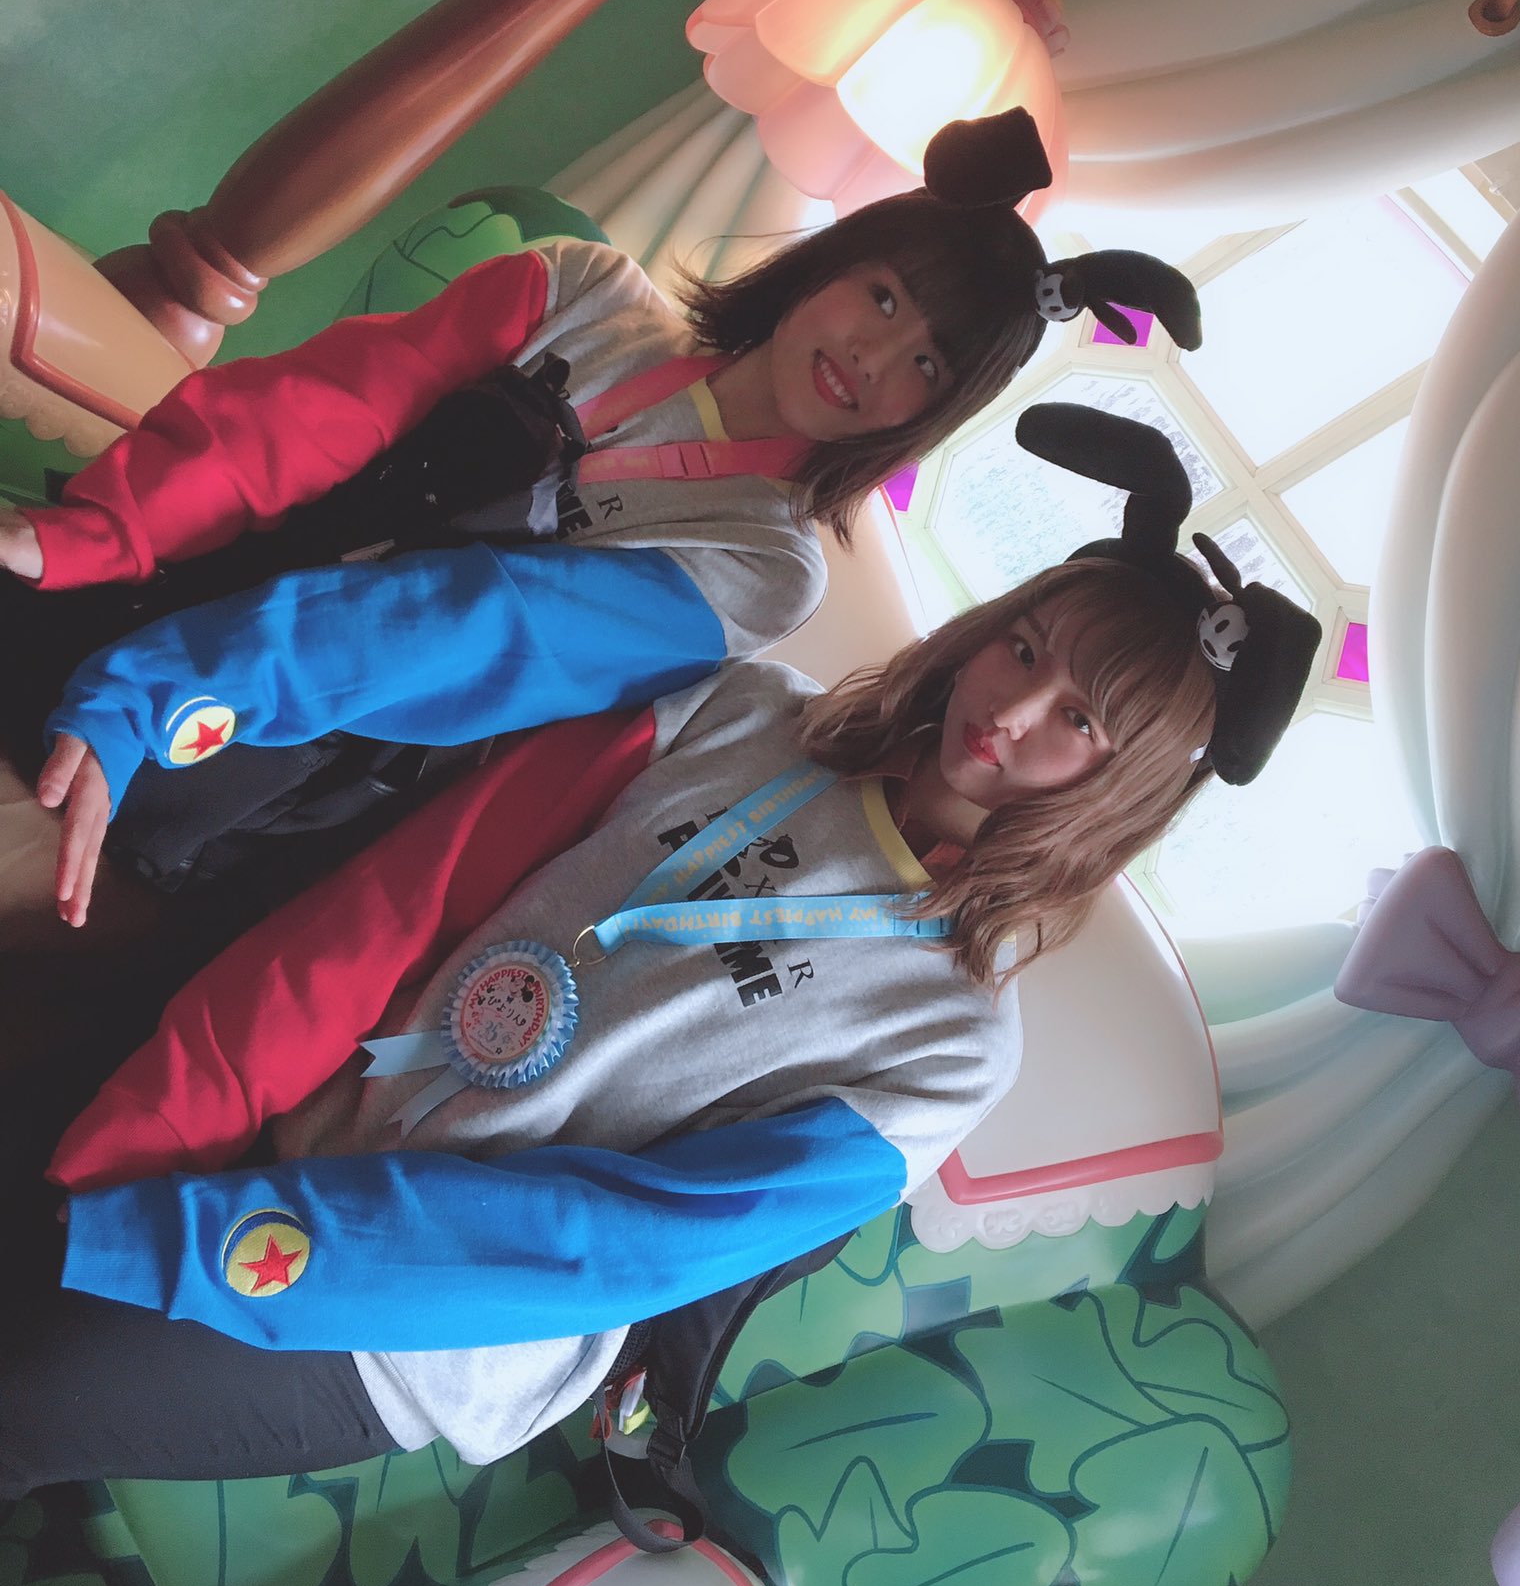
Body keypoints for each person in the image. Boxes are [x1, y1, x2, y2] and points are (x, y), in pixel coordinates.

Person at [0, 401, 1318, 1497]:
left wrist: (201, 1236)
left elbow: (623, 1243)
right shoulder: (746, 712)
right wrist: (182, 1109)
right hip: (284, 1107)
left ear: (1118, 785)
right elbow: (414, 895)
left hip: (410, 1324)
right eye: (1023, 648)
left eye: (1078, 720)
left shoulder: (953, 1045)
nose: (1014, 708)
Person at [0, 110, 1200, 932]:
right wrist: (99, 534)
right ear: (834, 261)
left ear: (927, 415)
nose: (871, 357)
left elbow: (454, 631)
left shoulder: (762, 569)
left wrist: (162, 691)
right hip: (174, 572)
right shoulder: (580, 286)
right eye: (882, 296)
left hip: (262, 732)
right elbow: (307, 414)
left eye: (925, 363)